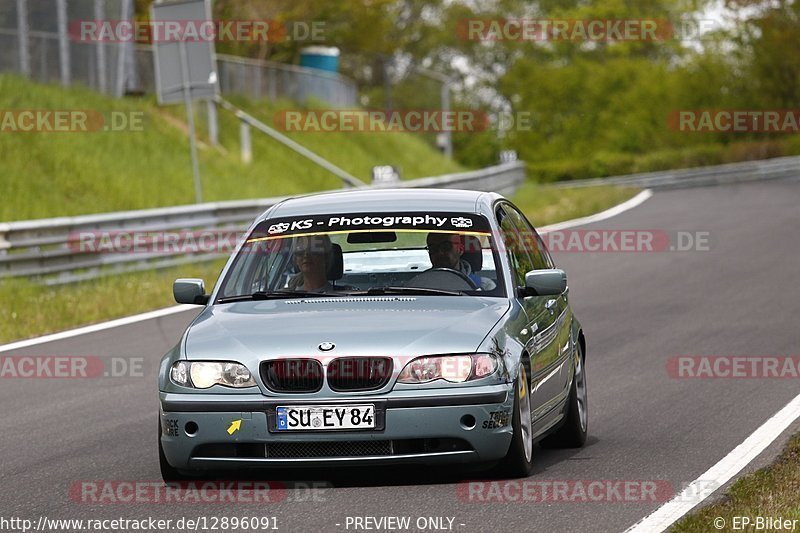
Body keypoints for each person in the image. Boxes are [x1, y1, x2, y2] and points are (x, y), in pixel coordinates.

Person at [425, 232, 496, 291]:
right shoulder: (418, 284)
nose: (439, 252)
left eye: (446, 246)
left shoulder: (484, 287)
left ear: (460, 249)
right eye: (433, 248)